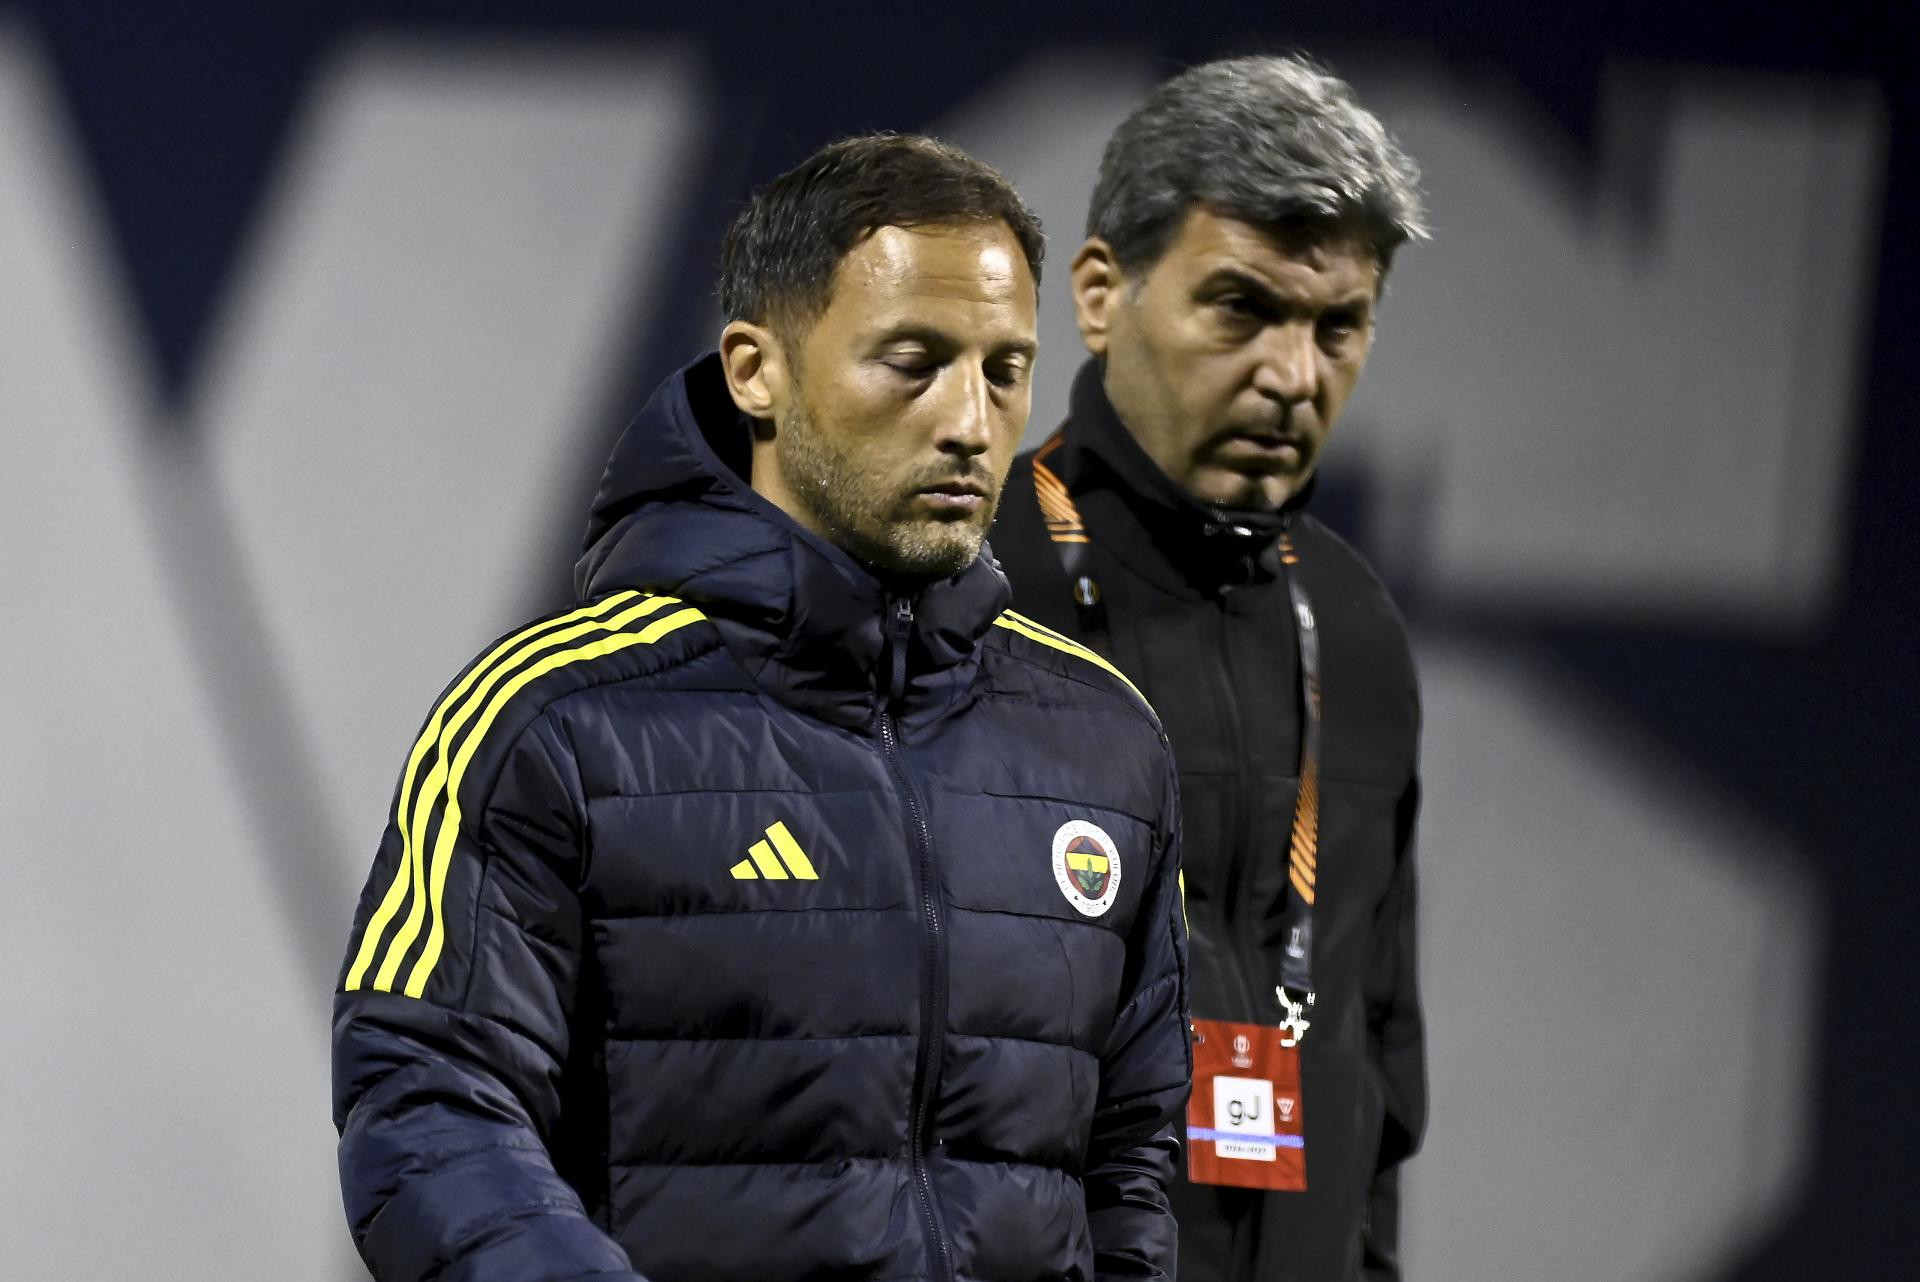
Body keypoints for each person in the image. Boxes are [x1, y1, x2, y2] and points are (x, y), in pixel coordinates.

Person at [331, 134, 1191, 1282]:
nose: (971, 421)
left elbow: (1134, 1158)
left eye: (1005, 369)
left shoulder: (1107, 742)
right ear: (755, 370)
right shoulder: (551, 722)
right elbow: (428, 1100)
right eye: (914, 361)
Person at [991, 56, 1428, 1282]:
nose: (1294, 377)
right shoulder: (963, 588)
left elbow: (1378, 1037)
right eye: (1241, 307)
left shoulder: (1354, 623)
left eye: (1337, 326)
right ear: (1099, 294)